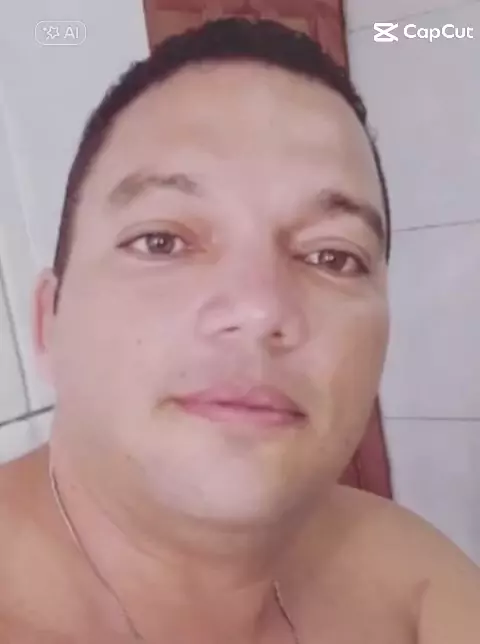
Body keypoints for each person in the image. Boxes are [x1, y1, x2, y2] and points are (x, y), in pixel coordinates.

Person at [0, 17, 479, 643]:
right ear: (49, 323)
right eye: (162, 241)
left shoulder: (411, 582)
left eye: (332, 256)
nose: (260, 308)